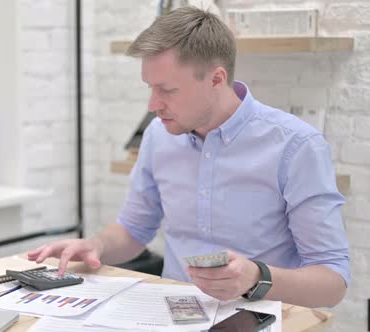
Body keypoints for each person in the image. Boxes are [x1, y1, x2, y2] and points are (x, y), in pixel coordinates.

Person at [28, 6, 349, 308]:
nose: (153, 104)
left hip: (261, 318)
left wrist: (256, 277)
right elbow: (133, 231)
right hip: (172, 315)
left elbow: (332, 282)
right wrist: (97, 246)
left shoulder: (296, 146)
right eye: (149, 88)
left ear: (216, 79)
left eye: (167, 90)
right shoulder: (157, 136)